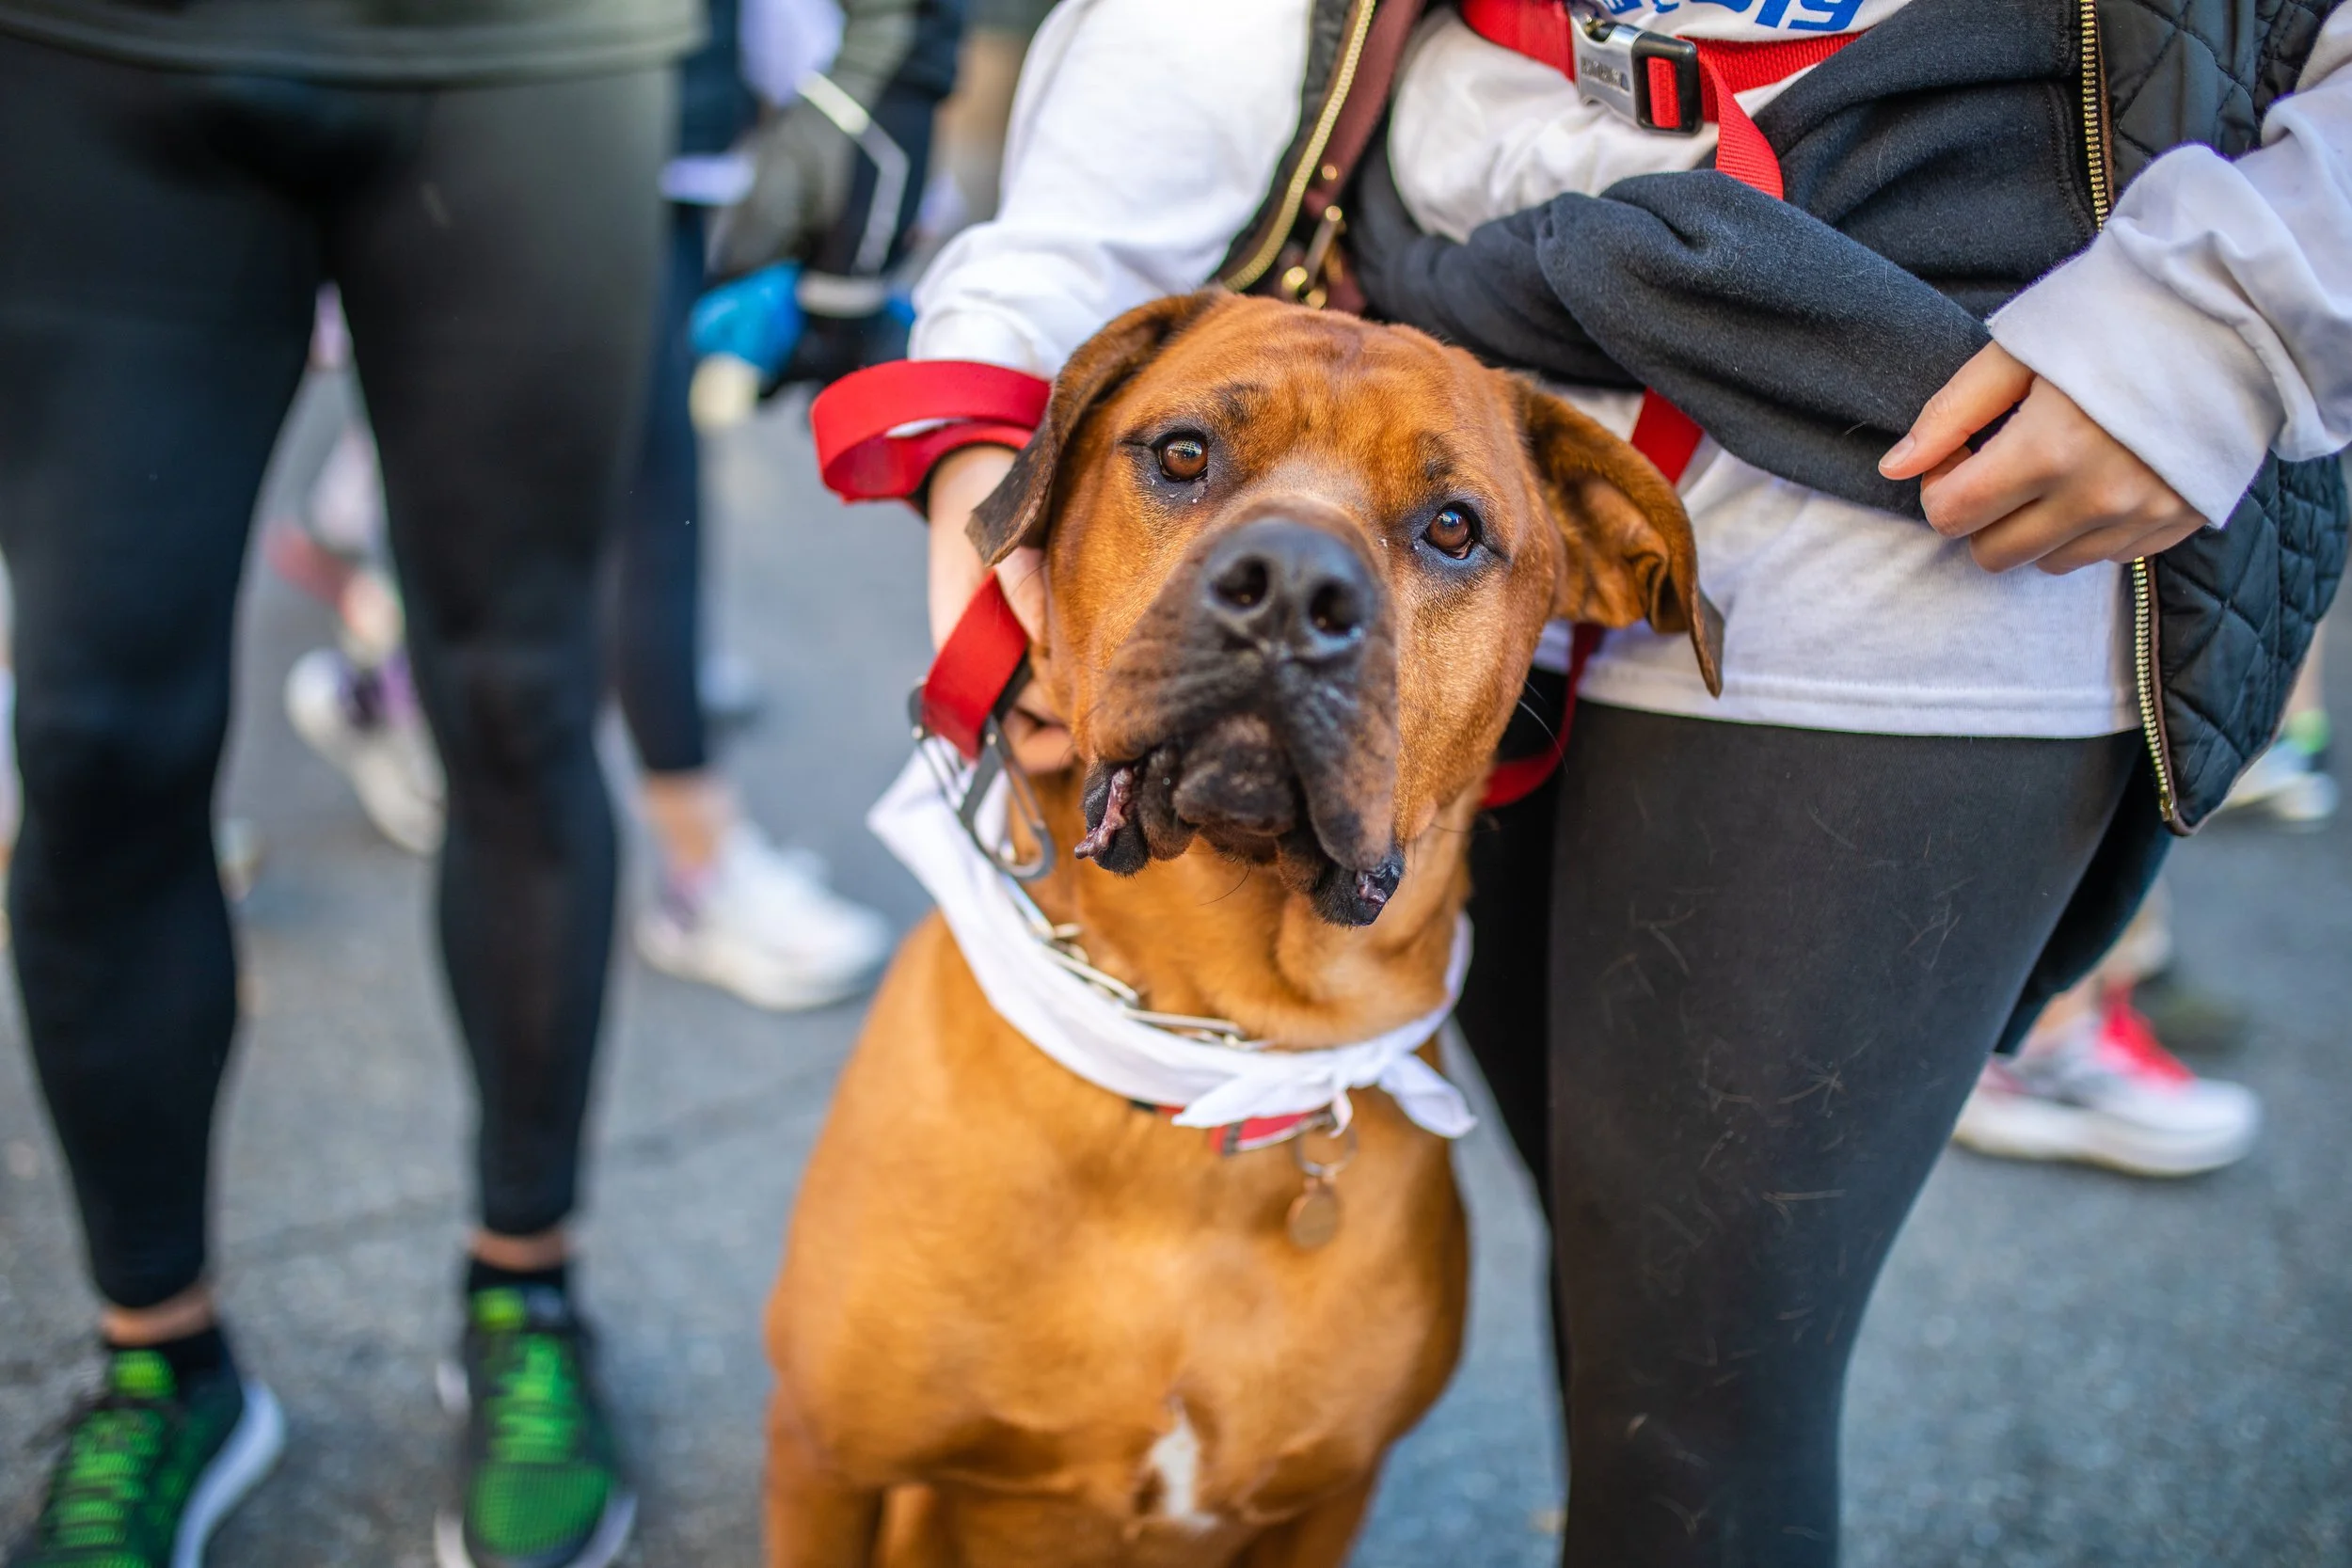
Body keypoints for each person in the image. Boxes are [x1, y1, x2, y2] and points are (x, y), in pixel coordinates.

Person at [832, 0, 2352, 1560]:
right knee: (1617, 1267)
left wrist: (2239, 306)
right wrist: (1001, 367)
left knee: (1698, 1398)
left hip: (1970, 413)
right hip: (1462, 280)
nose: (1290, 591)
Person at [0, 1, 693, 1565]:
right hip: (95, 48)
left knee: (517, 710)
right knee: (94, 738)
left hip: (530, 51)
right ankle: (162, 1364)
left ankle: (526, 1293)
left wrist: (886, 65)